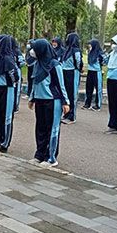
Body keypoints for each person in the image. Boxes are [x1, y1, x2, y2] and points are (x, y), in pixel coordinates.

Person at [27, 39, 70, 167]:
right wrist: (32, 98)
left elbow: (60, 84)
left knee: (52, 129)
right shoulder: (37, 63)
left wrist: (65, 102)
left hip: (53, 101)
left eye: (35, 48)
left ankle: (51, 157)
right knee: (40, 128)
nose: (32, 51)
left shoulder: (54, 64)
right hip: (39, 100)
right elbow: (35, 82)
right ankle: (39, 155)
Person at [60, 32, 82, 124]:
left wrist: (78, 68)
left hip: (73, 72)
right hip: (65, 72)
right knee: (66, 94)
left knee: (72, 94)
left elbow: (78, 62)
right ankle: (66, 114)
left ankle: (72, 116)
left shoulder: (76, 50)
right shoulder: (66, 49)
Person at [83, 39, 105, 111]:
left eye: (91, 44)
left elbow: (104, 61)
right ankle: (87, 104)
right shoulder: (90, 52)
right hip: (90, 71)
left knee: (98, 89)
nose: (89, 45)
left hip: (97, 72)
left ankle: (97, 105)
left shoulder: (100, 53)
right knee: (88, 88)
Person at [12, 37, 26, 112]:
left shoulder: (17, 51)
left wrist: (17, 66)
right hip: (12, 71)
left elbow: (22, 62)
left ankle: (15, 106)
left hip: (17, 71)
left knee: (17, 89)